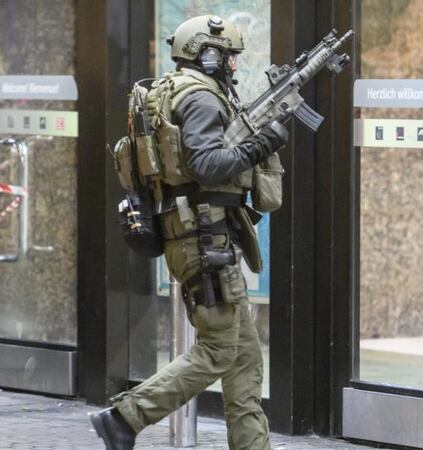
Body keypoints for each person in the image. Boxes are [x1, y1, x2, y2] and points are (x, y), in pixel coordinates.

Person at [91, 15, 288, 450]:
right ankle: (125, 417)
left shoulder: (174, 90)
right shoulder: (200, 99)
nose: (234, 67)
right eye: (229, 58)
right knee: (219, 350)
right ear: (208, 54)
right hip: (205, 241)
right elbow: (206, 165)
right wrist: (263, 143)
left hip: (200, 237)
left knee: (245, 358)